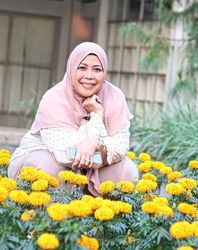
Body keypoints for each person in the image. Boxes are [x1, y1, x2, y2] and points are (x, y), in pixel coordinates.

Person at [8, 42, 139, 196]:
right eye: (82, 68)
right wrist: (97, 118)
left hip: (94, 167)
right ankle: (49, 218)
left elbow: (121, 146)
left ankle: (107, 218)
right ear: (71, 69)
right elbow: (67, 153)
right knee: (51, 167)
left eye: (97, 69)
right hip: (46, 158)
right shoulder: (54, 98)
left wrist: (95, 143)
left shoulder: (114, 96)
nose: (89, 76)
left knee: (127, 171)